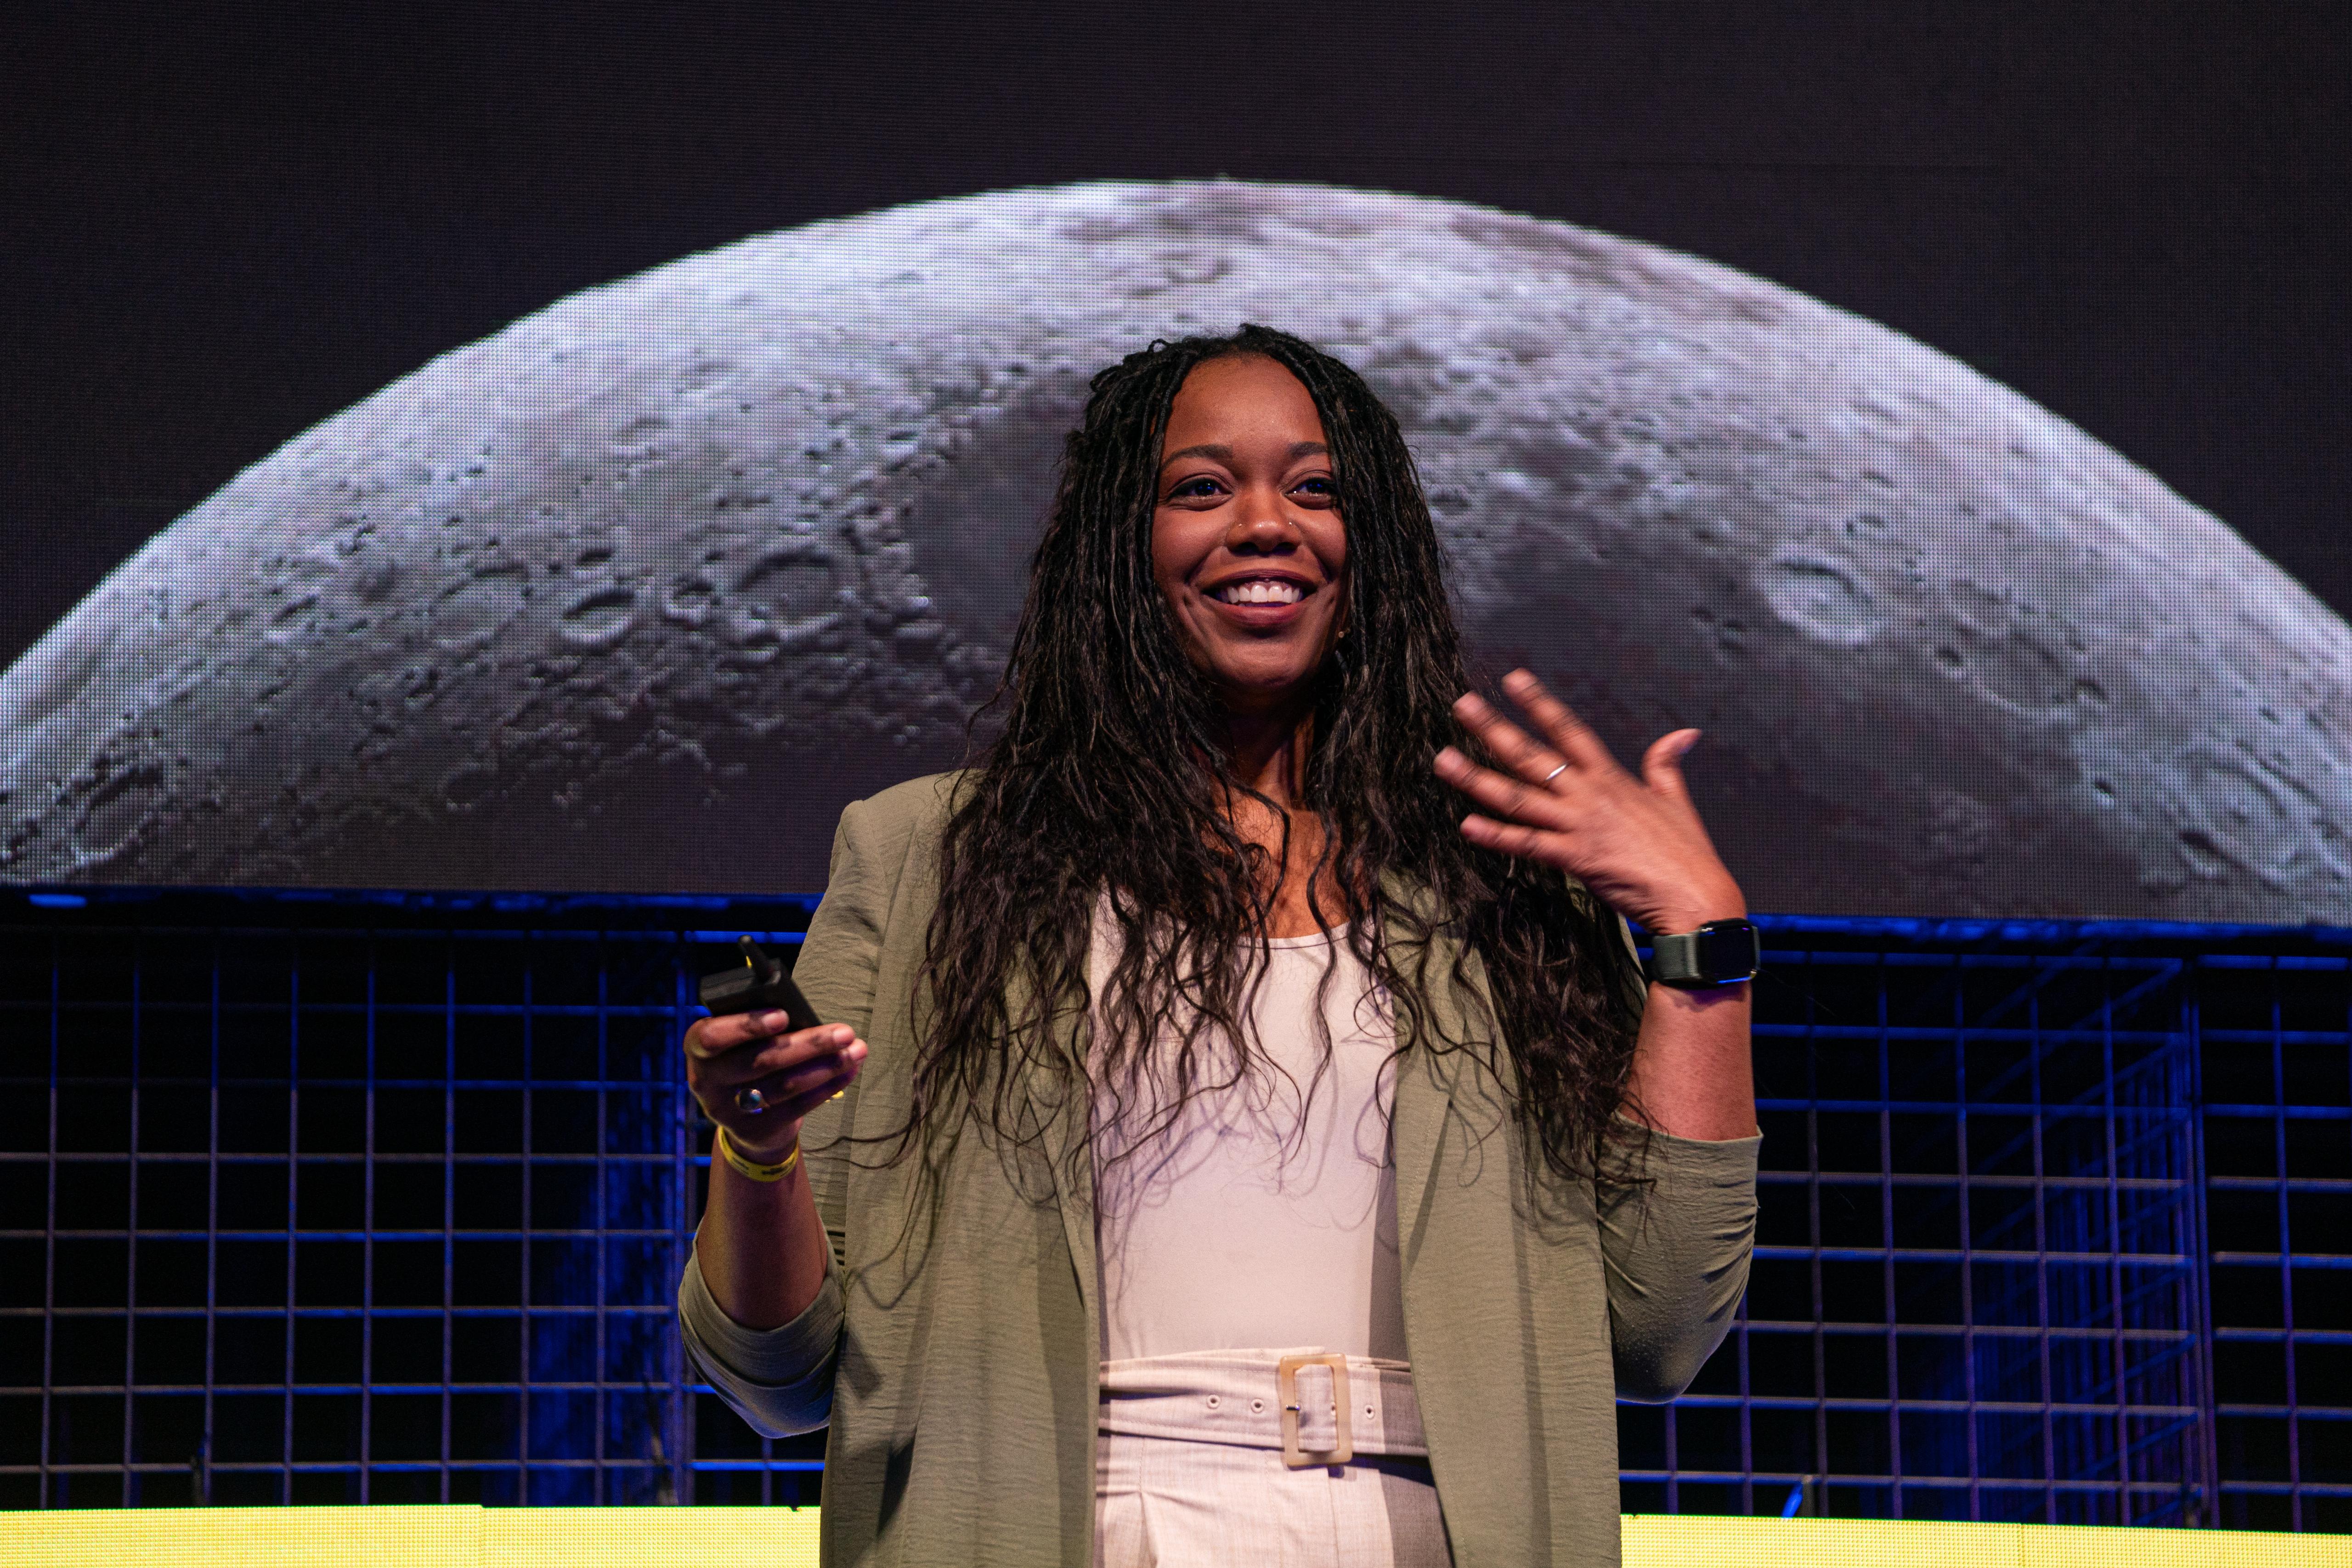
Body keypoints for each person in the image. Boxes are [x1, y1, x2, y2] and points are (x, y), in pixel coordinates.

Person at [676, 326, 1759, 1567]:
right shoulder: (929, 862)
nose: (1265, 525)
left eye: (1316, 490)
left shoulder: (1504, 881)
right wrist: (756, 1151)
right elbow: (776, 1375)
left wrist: (1698, 946)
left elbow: (1661, 1327)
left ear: (1377, 552)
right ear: (1118, 554)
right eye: (1201, 489)